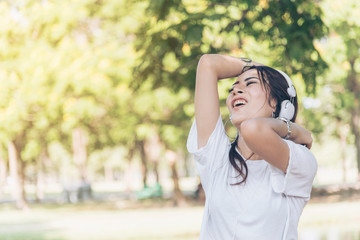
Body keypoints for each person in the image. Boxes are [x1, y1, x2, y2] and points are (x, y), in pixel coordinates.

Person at [187, 54, 317, 240]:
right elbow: (208, 64)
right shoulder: (217, 158)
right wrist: (261, 67)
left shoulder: (300, 162)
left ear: (277, 103)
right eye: (233, 87)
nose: (236, 90)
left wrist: (294, 131)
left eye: (249, 84)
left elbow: (253, 129)